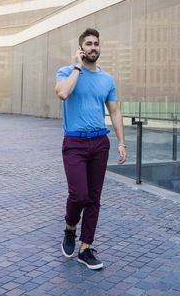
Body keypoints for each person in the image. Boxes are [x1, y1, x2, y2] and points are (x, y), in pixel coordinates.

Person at [55, 28, 127, 270]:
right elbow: (63, 93)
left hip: (99, 143)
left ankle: (85, 248)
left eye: (96, 43)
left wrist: (122, 142)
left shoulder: (107, 79)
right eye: (88, 43)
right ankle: (70, 227)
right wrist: (77, 67)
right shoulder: (66, 72)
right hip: (74, 142)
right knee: (79, 195)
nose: (93, 47)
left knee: (94, 198)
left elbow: (115, 111)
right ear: (81, 48)